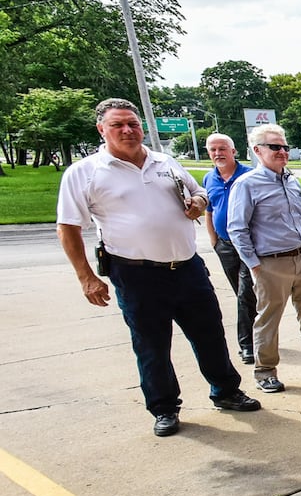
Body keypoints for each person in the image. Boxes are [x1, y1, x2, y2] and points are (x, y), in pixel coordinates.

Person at [56, 98, 259, 437]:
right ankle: (164, 408)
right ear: (101, 129)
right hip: (136, 273)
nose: (127, 130)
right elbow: (68, 227)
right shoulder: (85, 172)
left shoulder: (165, 161)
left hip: (187, 267)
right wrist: (86, 277)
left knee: (209, 334)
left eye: (133, 124)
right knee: (151, 345)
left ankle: (226, 391)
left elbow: (199, 193)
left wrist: (197, 202)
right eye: (118, 124)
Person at [226, 123, 301, 392]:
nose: (282, 152)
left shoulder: (292, 179)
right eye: (275, 147)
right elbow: (237, 228)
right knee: (268, 319)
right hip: (271, 262)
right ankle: (265, 371)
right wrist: (254, 264)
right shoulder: (247, 184)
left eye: (285, 147)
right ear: (257, 151)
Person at [201, 133, 257, 364]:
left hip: (248, 243)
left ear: (234, 151)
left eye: (222, 149)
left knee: (246, 293)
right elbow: (209, 210)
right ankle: (259, 334)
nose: (218, 153)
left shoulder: (250, 176)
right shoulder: (209, 178)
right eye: (213, 150)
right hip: (224, 245)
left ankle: (247, 345)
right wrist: (213, 241)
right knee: (242, 294)